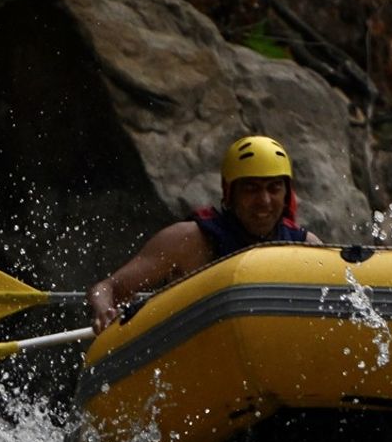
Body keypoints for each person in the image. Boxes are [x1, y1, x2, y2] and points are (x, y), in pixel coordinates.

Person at [88, 135, 322, 333]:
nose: (264, 201)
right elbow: (107, 288)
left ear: (286, 195)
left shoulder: (305, 247)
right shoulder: (189, 241)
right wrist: (105, 311)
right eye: (251, 189)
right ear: (230, 194)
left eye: (274, 188)